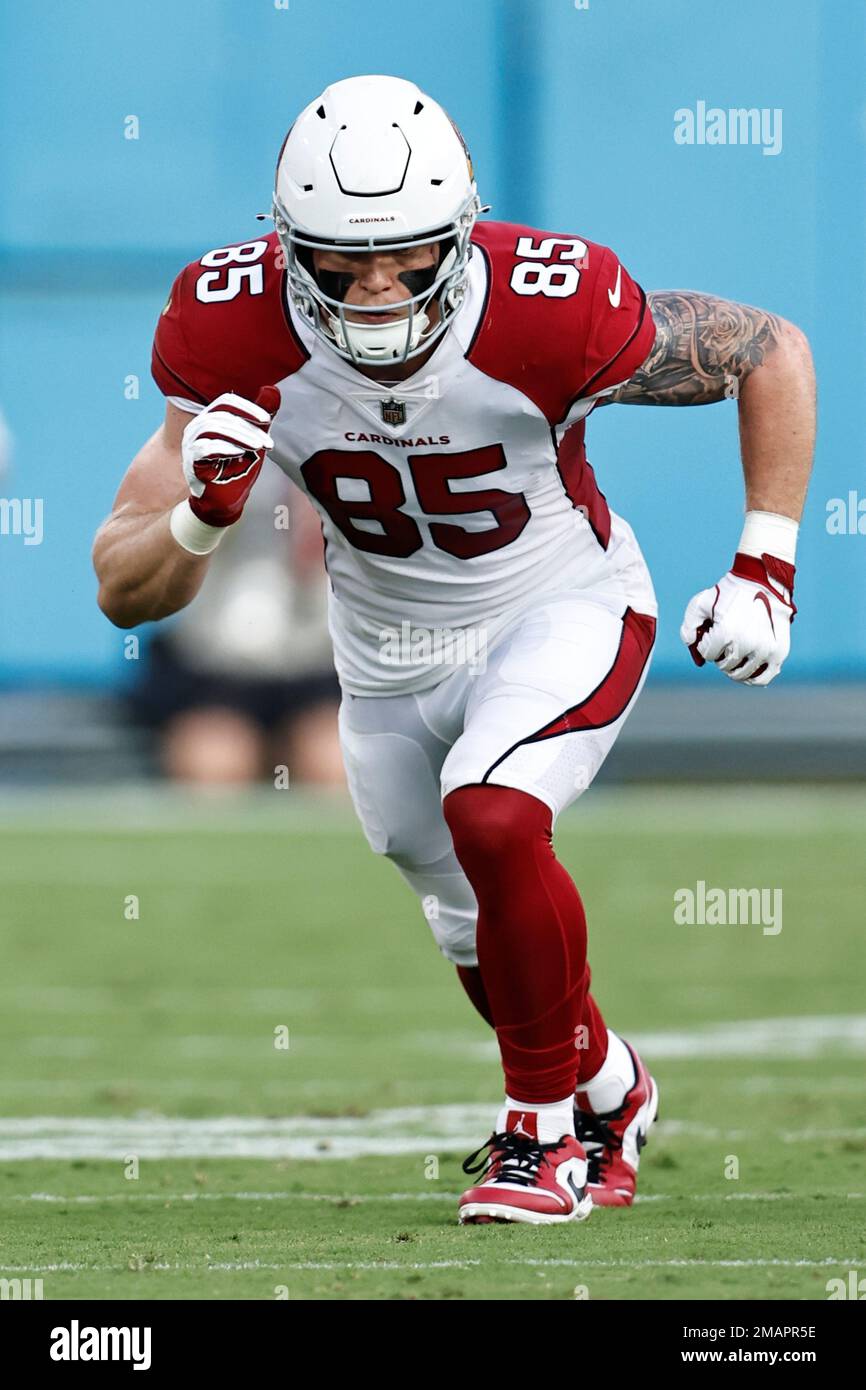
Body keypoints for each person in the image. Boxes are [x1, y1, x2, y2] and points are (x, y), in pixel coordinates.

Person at [93, 74, 815, 1225]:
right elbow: (122, 590)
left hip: (558, 603)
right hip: (383, 653)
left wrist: (763, 565)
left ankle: (538, 1139)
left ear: (462, 232)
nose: (376, 286)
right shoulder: (222, 321)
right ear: (285, 247)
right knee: (471, 919)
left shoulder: (548, 300)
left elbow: (765, 349)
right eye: (340, 261)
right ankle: (610, 1088)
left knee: (493, 810)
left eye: (411, 256)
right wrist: (200, 514)